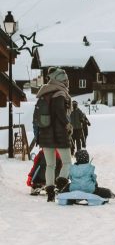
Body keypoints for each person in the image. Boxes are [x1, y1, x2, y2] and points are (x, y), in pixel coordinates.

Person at [34, 67, 73, 202]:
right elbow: (60, 112)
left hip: (45, 134)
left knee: (50, 165)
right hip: (59, 134)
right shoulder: (60, 94)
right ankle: (61, 183)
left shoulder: (45, 93)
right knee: (67, 162)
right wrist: (67, 124)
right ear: (60, 80)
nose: (67, 82)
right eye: (65, 80)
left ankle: (50, 192)